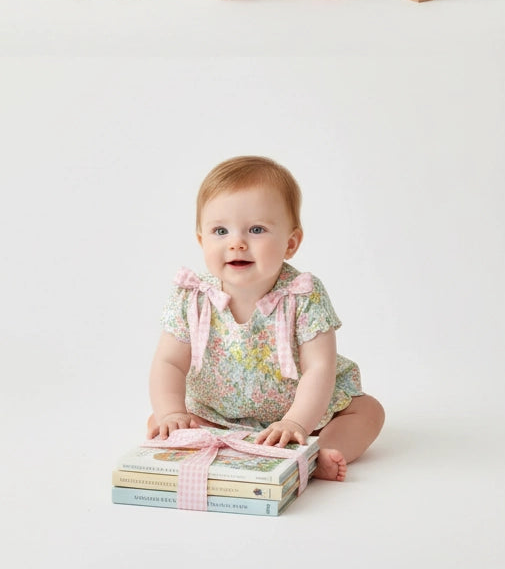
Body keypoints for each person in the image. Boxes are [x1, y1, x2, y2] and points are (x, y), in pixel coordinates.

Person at [147, 156, 384, 482]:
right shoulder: (193, 296)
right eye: (220, 231)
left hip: (305, 410)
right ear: (202, 240)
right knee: (160, 422)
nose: (236, 243)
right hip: (218, 411)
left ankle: (318, 452)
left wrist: (296, 422)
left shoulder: (303, 294)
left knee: (368, 411)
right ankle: (226, 447)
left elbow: (319, 367)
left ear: (290, 243)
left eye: (256, 230)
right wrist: (172, 413)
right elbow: (169, 362)